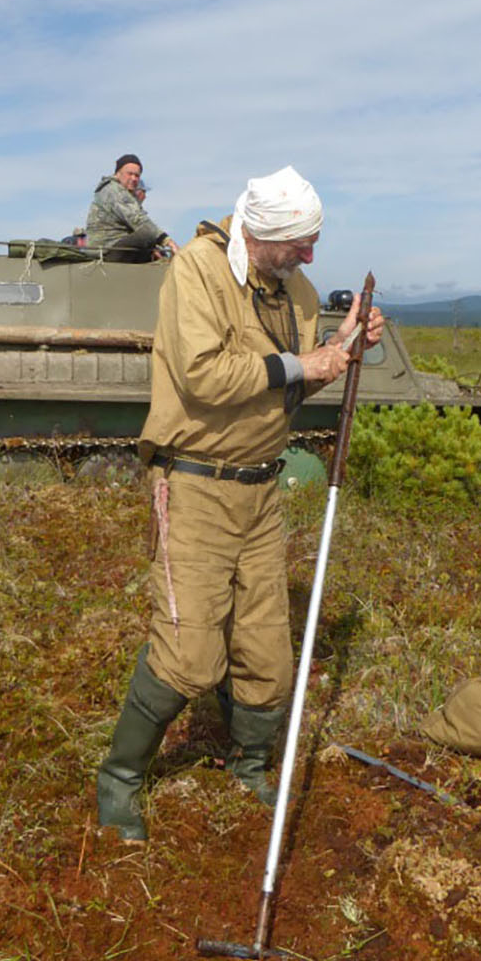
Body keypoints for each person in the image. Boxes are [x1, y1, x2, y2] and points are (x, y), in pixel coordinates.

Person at [96, 165, 384, 841]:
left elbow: (287, 389)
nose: (310, 257)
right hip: (194, 484)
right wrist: (301, 364)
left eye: (314, 242)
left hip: (261, 492)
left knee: (265, 656)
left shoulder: (298, 291)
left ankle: (248, 764)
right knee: (190, 657)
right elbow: (201, 376)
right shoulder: (196, 271)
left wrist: (340, 349)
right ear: (261, 233)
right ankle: (119, 780)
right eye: (300, 243)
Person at [85, 154, 178, 260]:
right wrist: (168, 242)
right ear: (118, 174)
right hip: (107, 251)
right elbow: (138, 220)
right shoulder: (113, 190)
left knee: (154, 247)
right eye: (129, 174)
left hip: (116, 249)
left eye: (137, 175)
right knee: (147, 234)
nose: (133, 178)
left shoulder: (125, 194)